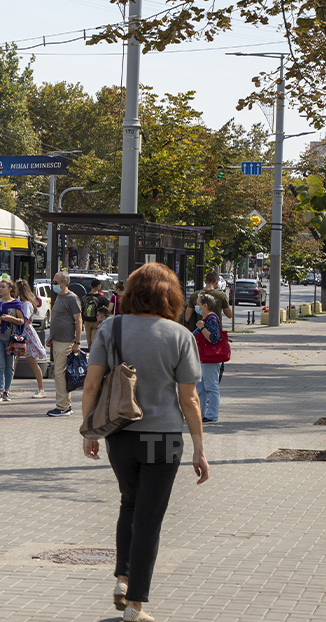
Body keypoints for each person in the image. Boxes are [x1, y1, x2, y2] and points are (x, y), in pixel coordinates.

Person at [80, 262, 208, 622]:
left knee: (129, 504)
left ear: (131, 291)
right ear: (171, 296)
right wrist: (199, 448)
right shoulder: (180, 335)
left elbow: (91, 385)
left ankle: (123, 577)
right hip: (164, 438)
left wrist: (90, 431)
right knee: (149, 518)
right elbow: (190, 399)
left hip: (120, 434)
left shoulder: (111, 327)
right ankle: (135, 605)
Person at [47, 271, 83, 418]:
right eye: (53, 282)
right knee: (60, 374)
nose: (54, 285)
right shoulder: (59, 297)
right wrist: (51, 336)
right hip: (57, 341)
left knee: (59, 374)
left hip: (66, 342)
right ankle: (65, 405)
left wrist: (77, 342)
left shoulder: (71, 298)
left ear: (64, 283)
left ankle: (62, 407)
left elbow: (79, 320)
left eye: (56, 282)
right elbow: (58, 319)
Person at [192, 293, 223, 424]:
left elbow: (214, 338)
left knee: (211, 386)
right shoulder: (205, 319)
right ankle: (200, 413)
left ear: (205, 306)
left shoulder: (211, 319)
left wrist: (202, 327)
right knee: (201, 388)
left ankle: (212, 415)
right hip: (202, 358)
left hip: (210, 358)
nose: (196, 306)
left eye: (198, 304)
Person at [16, 279, 49, 398]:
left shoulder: (26, 304)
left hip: (25, 334)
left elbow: (24, 319)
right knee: (25, 361)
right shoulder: (25, 302)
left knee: (27, 361)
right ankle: (6, 388)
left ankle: (41, 388)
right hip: (24, 333)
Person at [82, 279, 114, 349]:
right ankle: (93, 355)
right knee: (95, 340)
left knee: (89, 341)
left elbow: (82, 309)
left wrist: (81, 322)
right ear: (98, 286)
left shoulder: (85, 297)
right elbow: (109, 308)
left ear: (91, 286)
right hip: (97, 321)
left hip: (87, 321)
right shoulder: (101, 298)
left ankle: (90, 353)